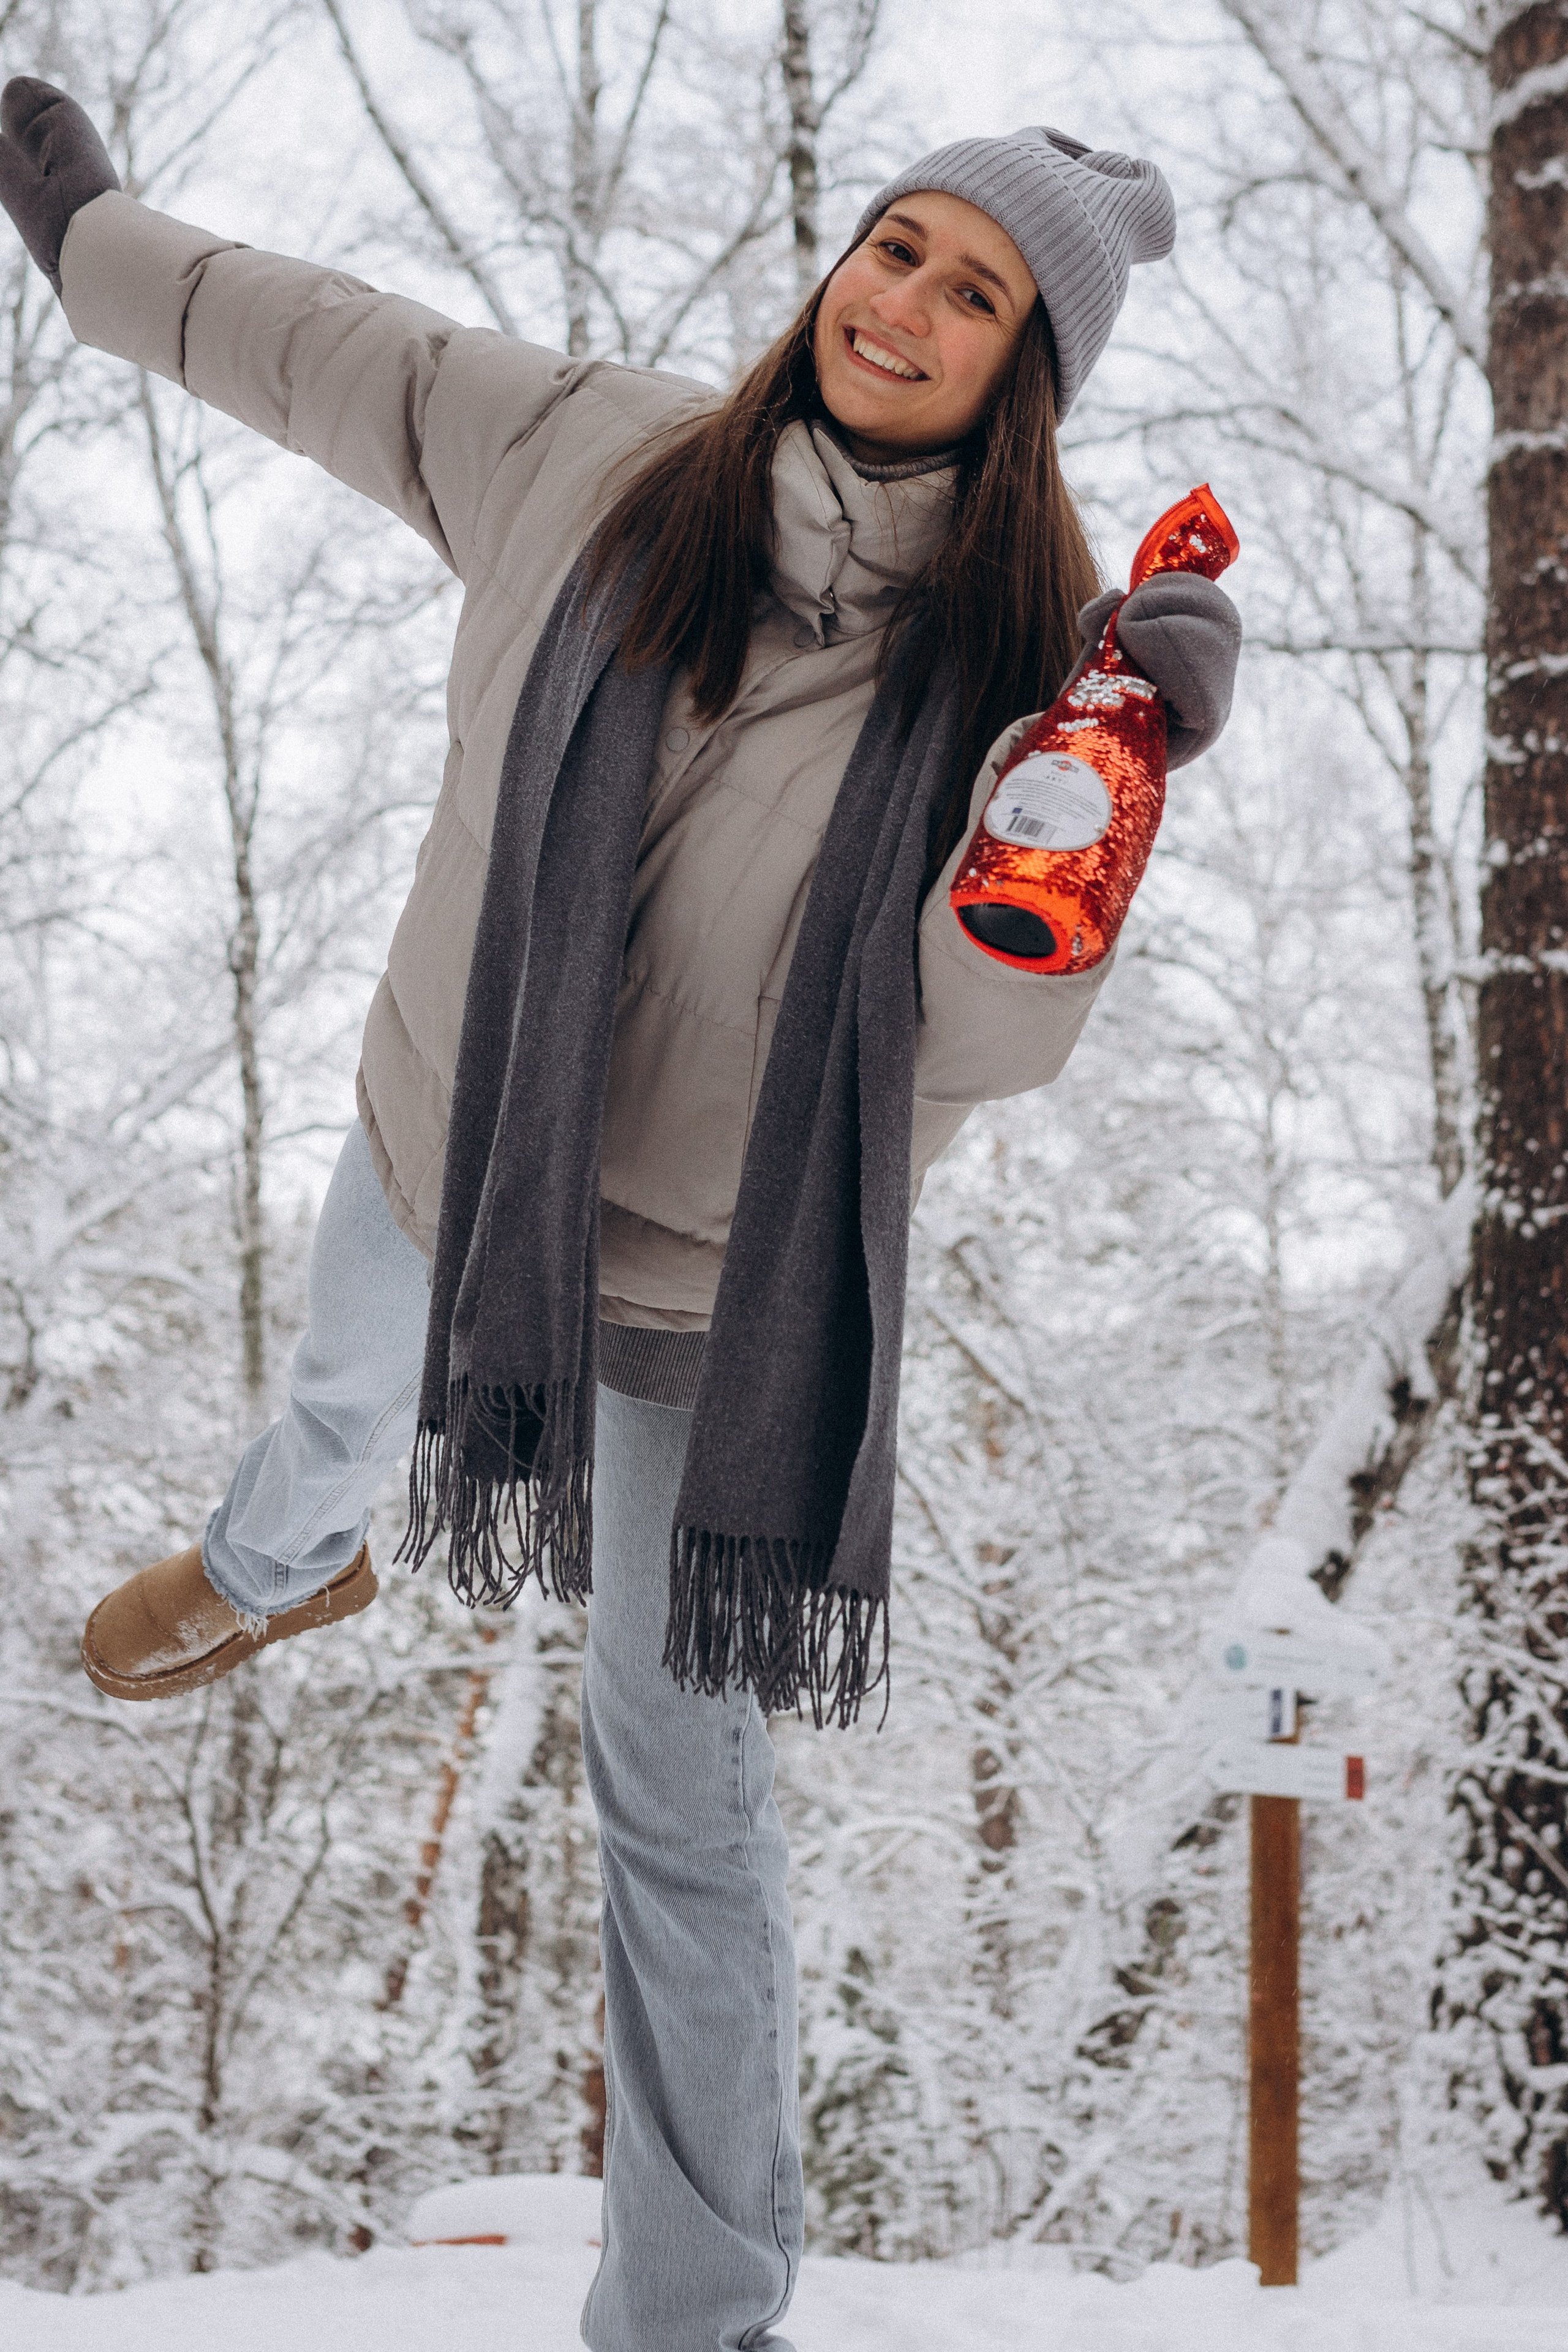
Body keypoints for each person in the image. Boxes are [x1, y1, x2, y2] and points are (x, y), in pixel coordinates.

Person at [0, 78, 1239, 2352]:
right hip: (453, 1142)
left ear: (1022, 375)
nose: (909, 305)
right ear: (840, 266)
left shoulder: (1021, 680)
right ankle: (288, 1562)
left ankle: (694, 2308)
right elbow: (333, 342)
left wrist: (1103, 807)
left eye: (978, 296)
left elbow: (971, 1055)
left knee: (678, 1785)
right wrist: (90, 241)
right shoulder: (592, 458)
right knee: (344, 1389)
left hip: (708, 1291)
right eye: (900, 246)